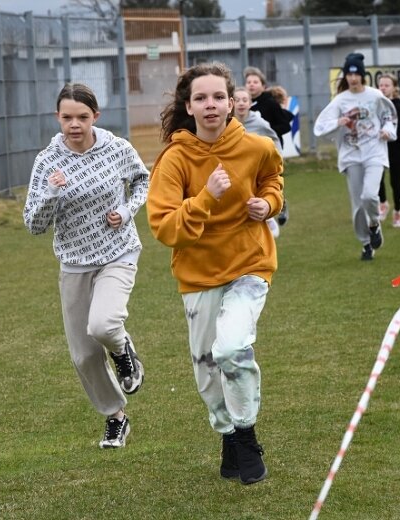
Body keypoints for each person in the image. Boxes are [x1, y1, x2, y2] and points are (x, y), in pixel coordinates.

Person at [148, 62, 283, 485]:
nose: (211, 105)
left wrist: (269, 204)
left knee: (232, 349)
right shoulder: (174, 160)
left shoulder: (257, 147)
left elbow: (272, 179)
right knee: (207, 368)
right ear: (188, 106)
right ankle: (227, 433)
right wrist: (207, 197)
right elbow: (166, 228)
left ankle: (245, 434)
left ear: (232, 102)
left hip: (250, 265)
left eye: (219, 97)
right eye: (201, 98)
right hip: (198, 274)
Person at [23, 83, 148, 449]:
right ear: (57, 118)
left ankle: (124, 354)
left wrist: (125, 211)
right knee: (83, 354)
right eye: (67, 118)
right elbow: (33, 224)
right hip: (74, 261)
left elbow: (142, 181)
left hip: (118, 251)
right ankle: (116, 417)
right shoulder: (47, 162)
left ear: (96, 116)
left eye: (82, 117)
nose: (74, 125)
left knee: (104, 325)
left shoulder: (117, 148)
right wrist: (50, 193)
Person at [313, 53, 396, 261]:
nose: (352, 78)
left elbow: (389, 117)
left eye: (356, 74)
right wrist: (338, 122)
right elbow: (320, 127)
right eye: (349, 75)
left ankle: (375, 224)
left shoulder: (376, 96)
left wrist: (387, 131)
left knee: (369, 195)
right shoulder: (340, 100)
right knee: (358, 205)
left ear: (362, 75)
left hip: (374, 152)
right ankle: (367, 243)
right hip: (351, 156)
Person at [233, 86, 282, 238]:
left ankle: (268, 216)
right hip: (234, 169)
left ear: (250, 103)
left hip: (256, 170)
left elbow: (274, 140)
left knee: (254, 197)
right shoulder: (226, 123)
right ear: (231, 103)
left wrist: (277, 160)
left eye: (244, 100)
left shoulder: (259, 123)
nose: (241, 103)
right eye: (237, 100)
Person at [377, 73, 400, 228]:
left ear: (394, 88)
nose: (383, 88)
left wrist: (389, 136)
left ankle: (398, 212)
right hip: (379, 149)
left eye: (386, 85)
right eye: (381, 85)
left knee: (395, 182)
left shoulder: (397, 105)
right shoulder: (376, 104)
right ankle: (383, 203)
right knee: (377, 179)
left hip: (396, 151)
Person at [243, 66, 293, 146]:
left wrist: (266, 132)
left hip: (270, 146)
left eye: (255, 82)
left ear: (263, 86)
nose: (251, 85)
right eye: (248, 82)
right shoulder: (242, 104)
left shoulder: (271, 103)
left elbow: (285, 126)